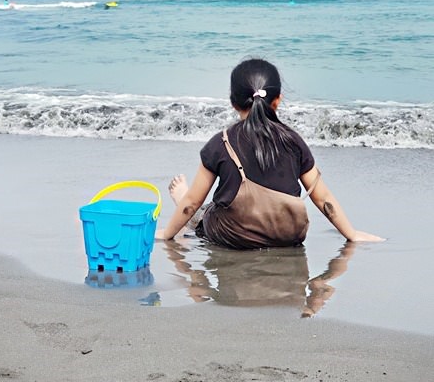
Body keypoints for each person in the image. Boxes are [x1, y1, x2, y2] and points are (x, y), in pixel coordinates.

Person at [156, 58, 384, 246]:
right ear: (277, 100)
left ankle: (189, 213)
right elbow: (322, 198)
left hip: (235, 236)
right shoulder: (293, 141)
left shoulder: (221, 142)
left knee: (206, 212)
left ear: (233, 102)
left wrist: (167, 234)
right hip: (287, 235)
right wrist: (351, 234)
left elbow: (192, 202)